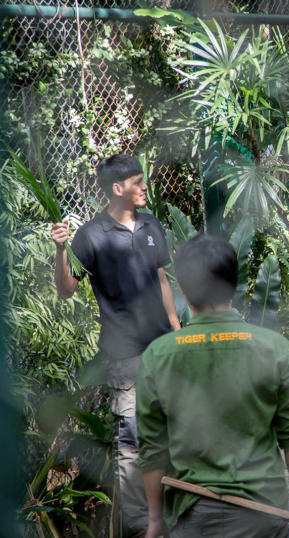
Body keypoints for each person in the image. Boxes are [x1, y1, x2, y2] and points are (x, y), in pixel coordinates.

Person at [136, 234, 289, 538]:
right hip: (264, 515)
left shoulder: (157, 356)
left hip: (193, 519)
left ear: (185, 293)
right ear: (233, 285)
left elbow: (153, 449)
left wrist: (155, 519)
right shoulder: (275, 349)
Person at [51, 154, 181, 536]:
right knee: (132, 439)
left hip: (164, 348)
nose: (144, 187)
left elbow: (161, 280)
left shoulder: (152, 224)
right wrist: (60, 250)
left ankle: (178, 514)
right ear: (116, 189)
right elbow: (65, 290)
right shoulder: (90, 234)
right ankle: (142, 526)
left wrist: (177, 331)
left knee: (175, 430)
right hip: (126, 354)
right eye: (137, 182)